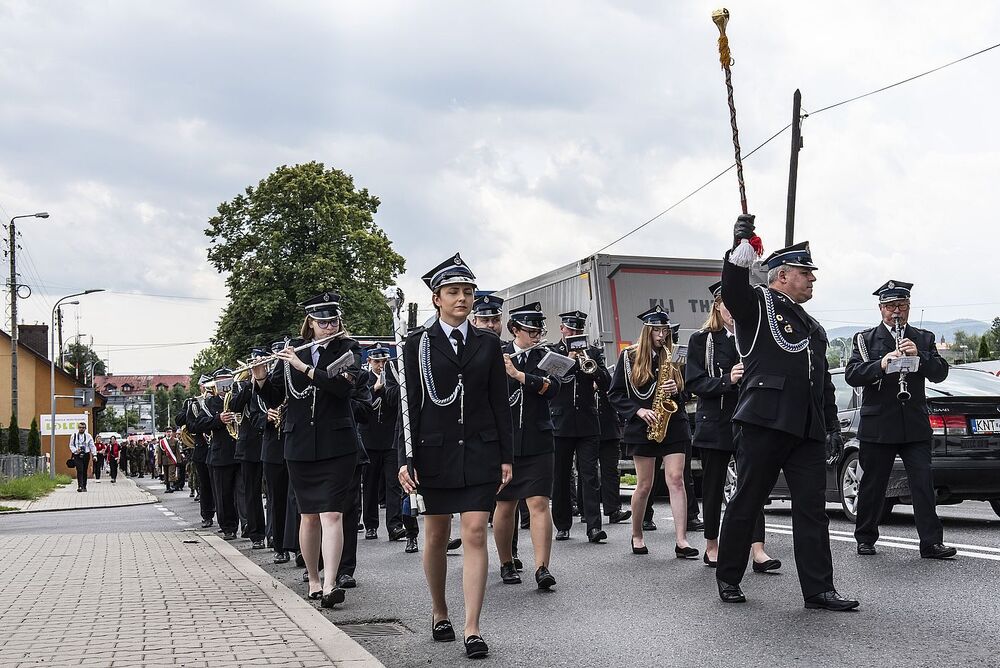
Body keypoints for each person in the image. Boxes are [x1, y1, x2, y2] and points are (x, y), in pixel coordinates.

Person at [716, 215, 858, 611]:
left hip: (806, 427)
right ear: (781, 276)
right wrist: (738, 247)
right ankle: (728, 576)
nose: (812, 279)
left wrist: (830, 426)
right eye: (804, 273)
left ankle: (819, 589)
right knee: (748, 500)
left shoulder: (812, 325)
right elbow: (733, 292)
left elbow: (823, 382)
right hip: (764, 420)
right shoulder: (759, 303)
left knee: (812, 509)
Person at [397, 253, 513, 659]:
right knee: (435, 534)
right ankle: (439, 610)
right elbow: (407, 406)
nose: (462, 299)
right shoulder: (416, 344)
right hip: (433, 453)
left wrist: (506, 455)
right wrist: (403, 458)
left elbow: (499, 401)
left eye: (467, 292)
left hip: (480, 451)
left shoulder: (488, 342)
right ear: (436, 299)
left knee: (476, 532)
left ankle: (473, 627)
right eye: (453, 292)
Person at [255, 291, 362, 610]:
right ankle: (313, 579)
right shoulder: (291, 353)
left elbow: (342, 386)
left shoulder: (348, 349)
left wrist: (304, 367)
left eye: (333, 321)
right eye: (322, 322)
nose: (329, 327)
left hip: (337, 445)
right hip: (299, 444)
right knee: (309, 516)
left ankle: (330, 583)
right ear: (310, 324)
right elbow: (276, 394)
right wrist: (260, 378)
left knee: (332, 513)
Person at [845, 280, 955, 560]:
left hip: (914, 424)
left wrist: (919, 355)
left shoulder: (923, 337)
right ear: (881, 308)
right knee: (873, 484)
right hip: (879, 424)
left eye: (902, 306)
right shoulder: (865, 340)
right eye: (892, 306)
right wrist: (882, 364)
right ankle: (866, 537)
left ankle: (931, 542)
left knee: (922, 483)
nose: (897, 312)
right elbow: (853, 375)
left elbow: (940, 373)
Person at [685, 280, 779, 571]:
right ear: (717, 305)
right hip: (715, 422)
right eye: (728, 304)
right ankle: (712, 545)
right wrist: (728, 379)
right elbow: (694, 382)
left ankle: (758, 550)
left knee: (752, 485)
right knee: (713, 486)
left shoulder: (754, 337)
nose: (733, 311)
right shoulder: (703, 340)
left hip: (750, 421)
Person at [609, 306, 698, 558]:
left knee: (676, 479)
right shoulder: (629, 357)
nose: (661, 335)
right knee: (645, 485)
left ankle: (681, 540)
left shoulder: (675, 355)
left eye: (664, 330)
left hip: (674, 424)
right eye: (656, 330)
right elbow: (614, 394)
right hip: (642, 426)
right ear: (647, 332)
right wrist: (637, 411)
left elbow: (687, 393)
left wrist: (677, 390)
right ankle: (637, 534)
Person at [494, 303, 560, 589]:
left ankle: (542, 567)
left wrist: (521, 376)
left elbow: (555, 387)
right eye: (531, 330)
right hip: (504, 442)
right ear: (515, 330)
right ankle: (507, 561)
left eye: (538, 330)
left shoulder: (546, 356)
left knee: (539, 503)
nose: (536, 335)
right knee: (505, 504)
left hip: (538, 438)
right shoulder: (497, 354)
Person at [550, 310, 611, 543]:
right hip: (560, 422)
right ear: (562, 330)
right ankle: (563, 524)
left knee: (589, 475)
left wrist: (591, 365)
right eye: (570, 330)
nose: (574, 333)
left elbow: (605, 382)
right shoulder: (553, 352)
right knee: (561, 475)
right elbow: (551, 382)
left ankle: (594, 526)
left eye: (578, 331)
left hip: (587, 422)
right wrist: (568, 358)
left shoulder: (594, 352)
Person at [360, 344, 406, 542]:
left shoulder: (394, 377)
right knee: (370, 485)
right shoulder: (364, 380)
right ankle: (371, 525)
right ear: (369, 362)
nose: (381, 365)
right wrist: (375, 389)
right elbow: (361, 404)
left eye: (384, 361)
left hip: (390, 440)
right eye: (377, 361)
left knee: (393, 484)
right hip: (369, 440)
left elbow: (397, 401)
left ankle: (395, 526)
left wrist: (387, 385)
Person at [192, 368, 241, 541]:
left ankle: (252, 528)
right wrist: (219, 419)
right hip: (220, 454)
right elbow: (199, 424)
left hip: (242, 451)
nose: (224, 385)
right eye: (220, 381)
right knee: (224, 494)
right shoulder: (208, 403)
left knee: (245, 493)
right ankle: (229, 527)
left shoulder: (239, 397)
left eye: (228, 380)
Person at [229, 352, 269, 550]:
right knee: (252, 493)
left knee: (274, 492)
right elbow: (235, 406)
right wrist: (251, 381)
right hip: (249, 446)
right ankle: (256, 534)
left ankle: (275, 534)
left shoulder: (274, 380)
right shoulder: (241, 385)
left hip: (271, 443)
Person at [262, 340, 291, 564]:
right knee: (277, 500)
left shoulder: (293, 372)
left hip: (295, 442)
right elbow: (246, 417)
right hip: (273, 448)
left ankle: (301, 547)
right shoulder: (260, 383)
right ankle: (279, 545)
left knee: (300, 501)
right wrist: (265, 417)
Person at [177, 375, 216, 528]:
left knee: (221, 485)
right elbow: (183, 422)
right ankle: (207, 515)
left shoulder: (218, 400)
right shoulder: (193, 403)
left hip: (218, 447)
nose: (206, 388)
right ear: (200, 387)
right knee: (205, 484)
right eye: (204, 385)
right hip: (202, 448)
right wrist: (188, 409)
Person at [596, 384, 631, 525]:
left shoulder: (606, 373)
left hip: (609, 426)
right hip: (587, 426)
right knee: (588, 472)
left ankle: (613, 510)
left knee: (611, 470)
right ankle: (585, 510)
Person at [69, 422, 95, 492]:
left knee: (84, 470)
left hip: (86, 454)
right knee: (79, 470)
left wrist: (94, 455)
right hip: (77, 455)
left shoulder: (88, 436)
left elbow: (92, 446)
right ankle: (80, 486)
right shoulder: (74, 435)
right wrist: (75, 450)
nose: (81, 429)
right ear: (78, 428)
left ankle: (84, 486)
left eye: (83, 428)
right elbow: (71, 445)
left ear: (85, 428)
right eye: (80, 427)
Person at [158, 427, 182, 493]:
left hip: (172, 460)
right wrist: (159, 462)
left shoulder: (175, 440)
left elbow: (177, 451)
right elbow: (160, 453)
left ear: (171, 433)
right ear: (165, 433)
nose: (169, 433)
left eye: (170, 432)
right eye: (167, 432)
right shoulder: (162, 441)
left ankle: (171, 487)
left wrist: (179, 461)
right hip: (164, 460)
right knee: (166, 474)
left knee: (171, 473)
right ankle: (167, 487)